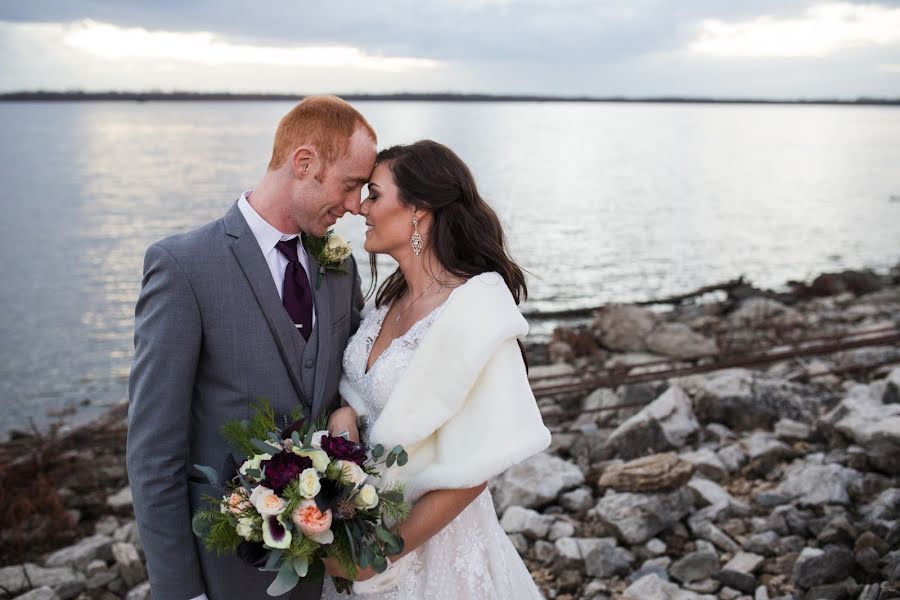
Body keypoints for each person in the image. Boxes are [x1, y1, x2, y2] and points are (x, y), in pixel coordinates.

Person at [126, 96, 376, 600]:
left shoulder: (338, 267)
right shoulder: (183, 267)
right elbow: (153, 450)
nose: (355, 206)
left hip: (323, 565)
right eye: (349, 185)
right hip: (224, 572)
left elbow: (342, 385)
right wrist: (180, 591)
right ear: (303, 163)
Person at [322, 140, 551, 598]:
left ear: (418, 210)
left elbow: (474, 469)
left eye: (374, 194)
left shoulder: (476, 311)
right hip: (366, 527)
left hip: (432, 550)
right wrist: (344, 415)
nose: (360, 208)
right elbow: (365, 391)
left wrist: (379, 554)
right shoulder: (387, 302)